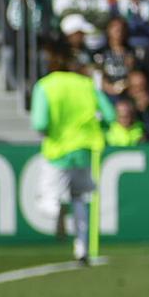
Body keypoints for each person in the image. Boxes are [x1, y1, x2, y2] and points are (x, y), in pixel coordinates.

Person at [30, 43, 114, 264]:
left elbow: (39, 122)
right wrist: (99, 130)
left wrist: (52, 132)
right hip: (85, 150)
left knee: (47, 199)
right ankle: (82, 249)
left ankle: (56, 207)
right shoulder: (86, 85)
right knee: (79, 198)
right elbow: (109, 114)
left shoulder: (45, 86)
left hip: (58, 150)